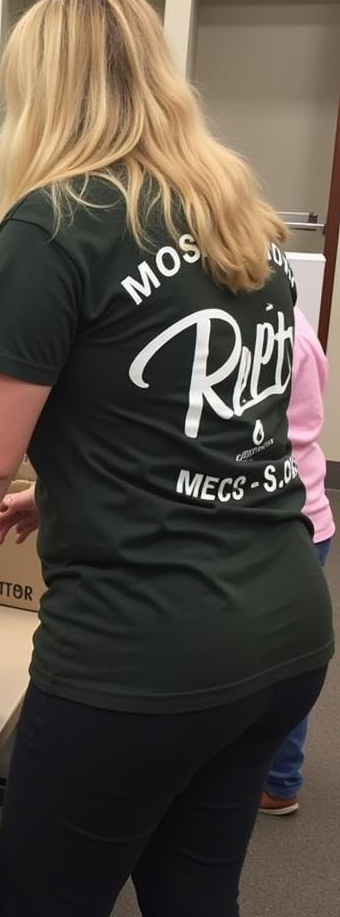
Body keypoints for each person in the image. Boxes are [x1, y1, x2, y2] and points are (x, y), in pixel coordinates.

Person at [0, 0, 333, 917]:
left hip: (142, 654)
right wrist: (71, 490)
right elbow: (211, 419)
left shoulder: (58, 221)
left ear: (46, 88)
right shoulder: (241, 215)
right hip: (286, 623)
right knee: (196, 891)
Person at [259, 306, 334, 816]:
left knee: (280, 666)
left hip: (286, 521)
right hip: (305, 517)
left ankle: (280, 781)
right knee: (285, 661)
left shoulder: (276, 338)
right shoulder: (293, 321)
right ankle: (277, 776)